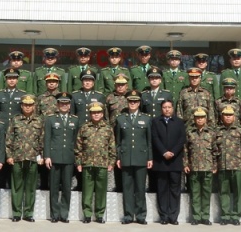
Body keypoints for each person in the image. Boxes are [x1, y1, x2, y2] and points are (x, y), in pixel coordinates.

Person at [115, 90, 152, 225]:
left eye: (135, 101)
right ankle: (128, 215)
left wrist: (150, 158)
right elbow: (118, 141)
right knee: (127, 188)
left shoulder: (146, 118)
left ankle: (141, 215)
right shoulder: (120, 119)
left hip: (141, 157)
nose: (133, 103)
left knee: (140, 188)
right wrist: (118, 157)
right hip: (126, 157)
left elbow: (149, 141)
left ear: (139, 102)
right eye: (131, 101)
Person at [6, 94, 44, 222]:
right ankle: (16, 213)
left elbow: (42, 140)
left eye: (30, 105)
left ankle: (28, 213)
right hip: (17, 158)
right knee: (16, 187)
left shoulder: (39, 120)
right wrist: (9, 156)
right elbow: (9, 139)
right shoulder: (15, 120)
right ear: (21, 106)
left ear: (34, 106)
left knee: (30, 187)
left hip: (33, 158)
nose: (28, 107)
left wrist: (41, 156)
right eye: (25, 105)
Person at [76, 102, 116, 224]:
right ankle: (87, 214)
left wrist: (111, 162)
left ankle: (99, 214)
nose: (96, 114)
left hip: (102, 164)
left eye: (98, 112)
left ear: (102, 113)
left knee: (101, 190)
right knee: (87, 191)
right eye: (93, 112)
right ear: (90, 114)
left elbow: (112, 147)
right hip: (87, 163)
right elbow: (78, 147)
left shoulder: (108, 128)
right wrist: (78, 162)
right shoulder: (84, 127)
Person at [44, 93, 79, 223]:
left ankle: (64, 214)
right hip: (54, 157)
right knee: (53, 188)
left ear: (70, 105)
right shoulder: (51, 119)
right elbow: (47, 139)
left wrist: (76, 157)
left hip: (69, 158)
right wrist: (47, 156)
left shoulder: (75, 120)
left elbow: (76, 140)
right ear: (58, 105)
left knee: (66, 187)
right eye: (62, 103)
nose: (64, 106)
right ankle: (54, 214)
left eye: (66, 103)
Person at [151, 99, 186, 225]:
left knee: (175, 190)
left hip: (175, 161)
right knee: (162, 190)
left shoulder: (179, 122)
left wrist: (173, 152)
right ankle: (164, 216)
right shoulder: (155, 121)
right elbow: (155, 138)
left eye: (169, 107)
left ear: (173, 109)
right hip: (161, 161)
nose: (167, 109)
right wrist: (164, 152)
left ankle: (173, 216)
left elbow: (182, 139)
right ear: (161, 109)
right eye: (164, 107)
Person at [214, 106, 241, 225]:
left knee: (237, 192)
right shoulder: (217, 131)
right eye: (225, 115)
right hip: (222, 165)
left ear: (234, 116)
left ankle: (235, 216)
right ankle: (225, 216)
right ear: (222, 116)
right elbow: (214, 150)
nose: (228, 117)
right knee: (223, 192)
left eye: (230, 115)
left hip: (237, 166)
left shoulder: (240, 130)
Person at [184, 107, 217, 226]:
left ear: (206, 119)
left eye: (202, 117)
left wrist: (214, 165)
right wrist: (186, 164)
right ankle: (196, 216)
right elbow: (186, 150)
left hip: (207, 167)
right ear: (194, 119)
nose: (199, 119)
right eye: (197, 117)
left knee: (206, 193)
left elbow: (215, 151)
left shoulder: (211, 133)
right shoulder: (190, 132)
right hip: (194, 167)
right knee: (195, 193)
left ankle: (205, 216)